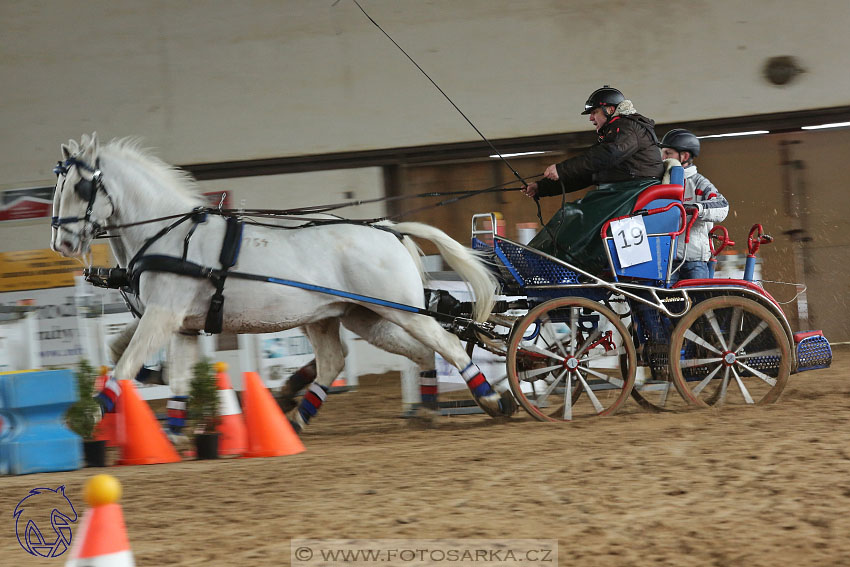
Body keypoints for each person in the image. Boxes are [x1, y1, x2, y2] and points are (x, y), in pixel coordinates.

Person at [522, 86, 664, 274]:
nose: (591, 118)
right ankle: (555, 262)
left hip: (630, 192)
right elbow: (590, 173)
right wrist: (542, 187)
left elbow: (605, 156)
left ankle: (550, 263)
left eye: (594, 112)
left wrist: (561, 169)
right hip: (621, 191)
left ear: (610, 110)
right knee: (576, 212)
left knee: (575, 214)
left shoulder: (628, 127)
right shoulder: (617, 133)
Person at [657, 128, 729, 282]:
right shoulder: (659, 182)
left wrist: (697, 208)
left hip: (694, 260)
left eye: (668, 153)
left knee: (697, 301)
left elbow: (722, 205)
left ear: (685, 156)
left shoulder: (699, 183)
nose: (663, 158)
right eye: (662, 153)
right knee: (664, 303)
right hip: (664, 259)